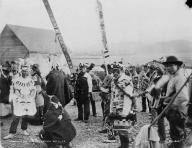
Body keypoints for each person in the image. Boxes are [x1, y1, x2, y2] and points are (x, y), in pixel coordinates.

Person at [105, 64, 136, 148]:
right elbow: (113, 95)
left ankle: (126, 145)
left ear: (121, 70)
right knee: (119, 127)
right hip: (116, 107)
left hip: (124, 107)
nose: (115, 73)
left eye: (117, 71)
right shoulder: (113, 80)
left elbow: (129, 96)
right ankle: (123, 144)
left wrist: (126, 110)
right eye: (113, 71)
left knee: (125, 128)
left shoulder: (126, 79)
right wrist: (111, 108)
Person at [3, 63, 37, 140]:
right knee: (16, 117)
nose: (25, 72)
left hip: (27, 101)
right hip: (18, 101)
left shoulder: (31, 80)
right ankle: (11, 133)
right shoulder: (16, 80)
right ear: (21, 71)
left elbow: (33, 90)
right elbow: (14, 90)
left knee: (26, 116)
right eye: (23, 71)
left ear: (28, 71)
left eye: (26, 71)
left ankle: (24, 129)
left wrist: (30, 97)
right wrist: (18, 97)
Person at [162, 56, 189, 147]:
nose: (168, 68)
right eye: (167, 66)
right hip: (173, 111)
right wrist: (165, 98)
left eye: (171, 65)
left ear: (177, 66)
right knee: (176, 134)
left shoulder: (179, 78)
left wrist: (169, 105)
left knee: (177, 135)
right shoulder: (174, 77)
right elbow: (174, 94)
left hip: (177, 111)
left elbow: (183, 97)